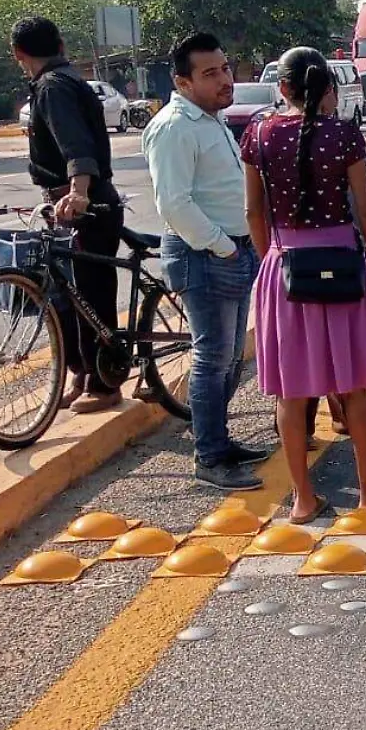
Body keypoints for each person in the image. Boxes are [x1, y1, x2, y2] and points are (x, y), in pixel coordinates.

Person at [243, 46, 366, 525]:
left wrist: (269, 258)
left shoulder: (260, 133)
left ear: (283, 88)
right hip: (343, 265)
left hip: (286, 265)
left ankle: (303, 500)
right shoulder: (344, 135)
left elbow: (254, 212)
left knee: (290, 393)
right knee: (354, 388)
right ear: (327, 88)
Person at [141, 32, 268, 491]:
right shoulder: (175, 126)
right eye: (210, 73)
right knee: (212, 357)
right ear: (183, 81)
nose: (224, 80)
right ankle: (209, 457)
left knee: (231, 356)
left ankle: (220, 440)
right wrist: (224, 246)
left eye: (225, 68)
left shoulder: (209, 119)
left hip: (230, 249)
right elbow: (173, 203)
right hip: (205, 254)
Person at [9, 16, 125, 415]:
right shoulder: (64, 80)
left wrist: (77, 193)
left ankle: (106, 383)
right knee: (71, 295)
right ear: (60, 44)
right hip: (70, 204)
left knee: (92, 294)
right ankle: (81, 372)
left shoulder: (54, 87)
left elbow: (75, 145)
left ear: (18, 55)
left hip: (85, 204)